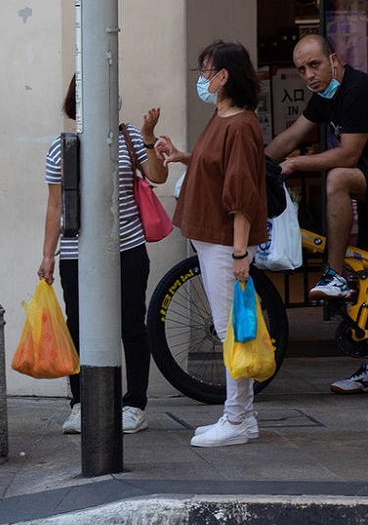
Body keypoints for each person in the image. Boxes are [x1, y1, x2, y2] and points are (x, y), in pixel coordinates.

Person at [39, 76, 167, 435]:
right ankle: (80, 404)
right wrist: (47, 256)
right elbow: (54, 207)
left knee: (131, 324)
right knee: (77, 326)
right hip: (74, 252)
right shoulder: (61, 147)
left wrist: (148, 136)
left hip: (127, 247)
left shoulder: (128, 138)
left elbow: (157, 176)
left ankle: (134, 404)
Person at [155, 40, 268, 448]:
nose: (202, 79)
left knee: (230, 331)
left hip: (224, 242)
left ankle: (235, 418)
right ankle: (244, 417)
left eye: (206, 71)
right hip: (214, 240)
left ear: (224, 77)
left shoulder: (239, 124)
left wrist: (239, 253)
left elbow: (242, 194)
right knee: (232, 327)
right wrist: (183, 156)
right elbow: (216, 166)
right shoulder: (223, 117)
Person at [263, 34, 368, 394]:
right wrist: (256, 164)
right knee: (367, 275)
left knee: (338, 178)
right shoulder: (326, 96)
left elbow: (348, 155)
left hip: (358, 176)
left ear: (335, 60)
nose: (308, 74)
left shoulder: (356, 90)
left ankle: (333, 274)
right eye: (301, 69)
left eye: (315, 65)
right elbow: (290, 137)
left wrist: (296, 164)